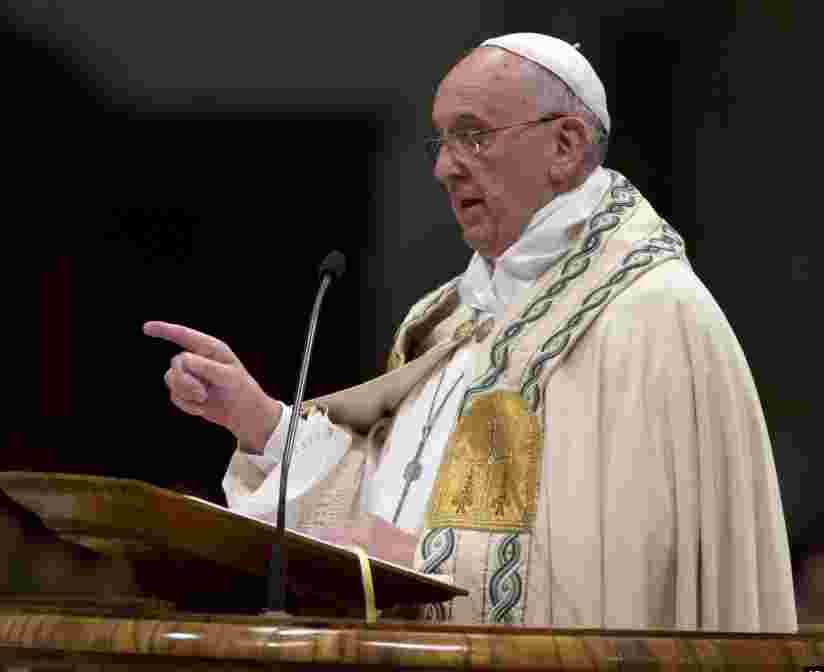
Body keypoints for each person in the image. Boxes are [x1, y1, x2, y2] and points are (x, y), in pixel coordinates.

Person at [143, 33, 797, 631]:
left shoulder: (654, 319)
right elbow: (389, 521)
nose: (444, 168)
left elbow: (650, 580)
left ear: (565, 146)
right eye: (441, 142)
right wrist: (261, 421)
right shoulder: (446, 325)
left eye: (473, 136)